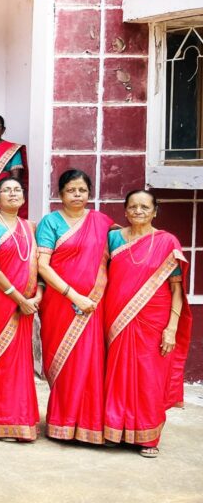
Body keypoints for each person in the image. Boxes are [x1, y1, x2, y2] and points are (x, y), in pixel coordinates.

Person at [103, 190, 192, 457]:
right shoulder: (114, 238)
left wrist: (171, 329)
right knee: (117, 375)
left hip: (155, 320)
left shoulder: (167, 241)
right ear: (125, 211)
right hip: (117, 317)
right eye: (133, 207)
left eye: (144, 207)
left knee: (149, 378)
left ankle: (148, 436)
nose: (138, 211)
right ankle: (115, 430)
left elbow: (177, 289)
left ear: (155, 212)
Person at [35, 169, 112, 444]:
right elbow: (42, 266)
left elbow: (124, 253)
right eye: (71, 190)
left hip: (94, 303)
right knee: (64, 362)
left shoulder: (102, 222)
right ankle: (61, 423)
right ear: (60, 194)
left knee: (90, 363)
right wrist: (73, 295)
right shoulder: (50, 222)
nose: (77, 195)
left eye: (82, 190)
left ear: (89, 193)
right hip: (60, 303)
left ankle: (89, 425)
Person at [0, 177, 41, 442]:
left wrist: (37, 297)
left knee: (21, 362)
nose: (13, 194)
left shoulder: (30, 226)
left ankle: (21, 417)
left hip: (27, 304)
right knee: (0, 360)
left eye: (17, 190)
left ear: (24, 197)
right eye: (6, 190)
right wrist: (19, 298)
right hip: (1, 301)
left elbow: (39, 266)